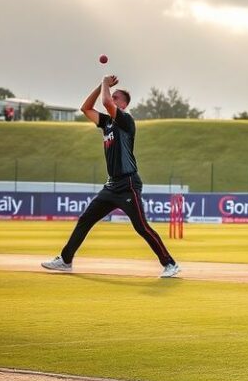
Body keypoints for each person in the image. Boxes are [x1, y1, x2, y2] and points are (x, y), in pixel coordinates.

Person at [42, 75, 180, 278]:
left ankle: (170, 264)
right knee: (85, 219)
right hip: (111, 186)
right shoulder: (107, 122)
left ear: (123, 103)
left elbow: (106, 103)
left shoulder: (126, 120)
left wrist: (106, 83)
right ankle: (65, 260)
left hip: (128, 184)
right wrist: (101, 85)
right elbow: (86, 108)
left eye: (116, 98)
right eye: (112, 96)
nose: (112, 99)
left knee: (141, 227)